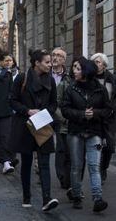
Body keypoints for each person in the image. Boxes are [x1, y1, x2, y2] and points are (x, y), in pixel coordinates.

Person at [10, 49, 59, 211]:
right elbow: (13, 101)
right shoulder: (22, 78)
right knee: (27, 162)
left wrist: (45, 114)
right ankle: (26, 196)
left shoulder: (50, 81)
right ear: (37, 63)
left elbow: (53, 104)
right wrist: (28, 111)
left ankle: (47, 198)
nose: (50, 64)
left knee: (44, 163)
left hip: (43, 125)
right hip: (26, 126)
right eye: (47, 62)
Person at [61, 57, 111, 212]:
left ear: (86, 71)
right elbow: (65, 110)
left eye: (77, 68)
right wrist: (82, 114)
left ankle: (97, 199)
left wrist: (94, 113)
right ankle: (76, 195)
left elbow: (108, 109)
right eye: (74, 68)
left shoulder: (100, 89)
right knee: (76, 166)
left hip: (94, 131)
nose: (74, 71)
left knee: (94, 166)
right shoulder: (71, 89)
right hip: (75, 132)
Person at [90, 53, 116, 183]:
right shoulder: (89, 78)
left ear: (104, 65)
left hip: (109, 118)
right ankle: (96, 171)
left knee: (110, 147)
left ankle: (103, 167)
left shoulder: (111, 79)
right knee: (96, 145)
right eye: (94, 62)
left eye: (98, 62)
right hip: (94, 117)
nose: (95, 64)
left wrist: (112, 109)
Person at [51, 47, 72, 191]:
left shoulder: (68, 77)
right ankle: (41, 170)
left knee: (62, 147)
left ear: (64, 60)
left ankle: (63, 176)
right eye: (53, 55)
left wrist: (63, 116)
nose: (55, 58)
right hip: (45, 115)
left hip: (61, 117)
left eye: (59, 55)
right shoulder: (46, 75)